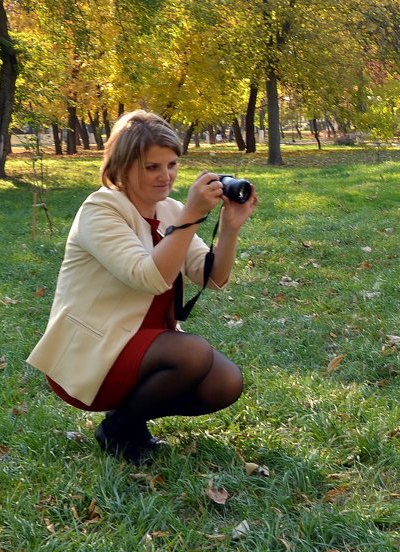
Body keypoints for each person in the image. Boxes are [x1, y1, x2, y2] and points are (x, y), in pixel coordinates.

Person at [28, 110, 259, 463]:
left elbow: (213, 277)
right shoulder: (101, 209)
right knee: (193, 353)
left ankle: (124, 423)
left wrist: (229, 228)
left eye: (172, 164)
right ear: (122, 167)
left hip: (146, 348)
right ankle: (121, 431)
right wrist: (190, 218)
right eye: (152, 167)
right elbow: (149, 277)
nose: (165, 176)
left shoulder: (171, 210)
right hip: (95, 351)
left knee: (226, 382)